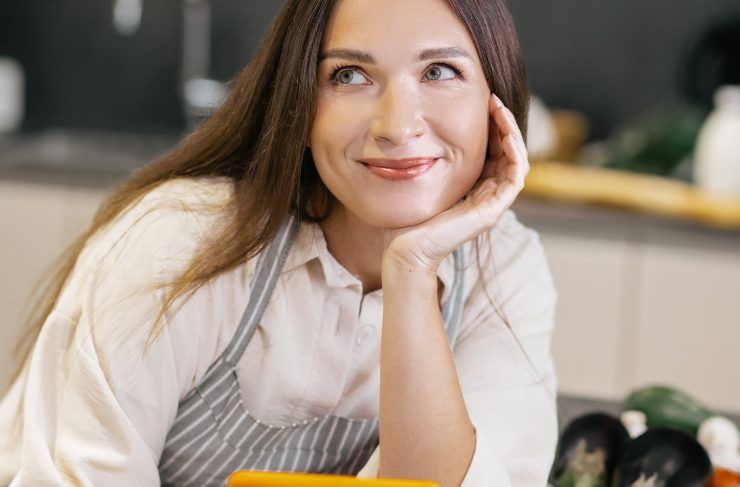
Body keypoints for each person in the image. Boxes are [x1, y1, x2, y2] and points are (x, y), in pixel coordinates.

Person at [0, 0, 559, 485]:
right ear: (299, 101)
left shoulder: (501, 268)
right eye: (348, 76)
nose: (396, 125)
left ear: (496, 99)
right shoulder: (184, 241)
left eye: (439, 71)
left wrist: (412, 270)